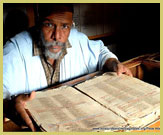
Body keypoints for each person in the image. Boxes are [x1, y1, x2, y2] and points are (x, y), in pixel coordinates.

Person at [3, 4, 132, 131]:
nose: (57, 36)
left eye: (65, 26)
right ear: (38, 22)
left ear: (71, 25)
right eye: (49, 24)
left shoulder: (78, 39)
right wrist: (8, 106)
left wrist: (113, 63)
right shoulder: (14, 50)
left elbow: (101, 52)